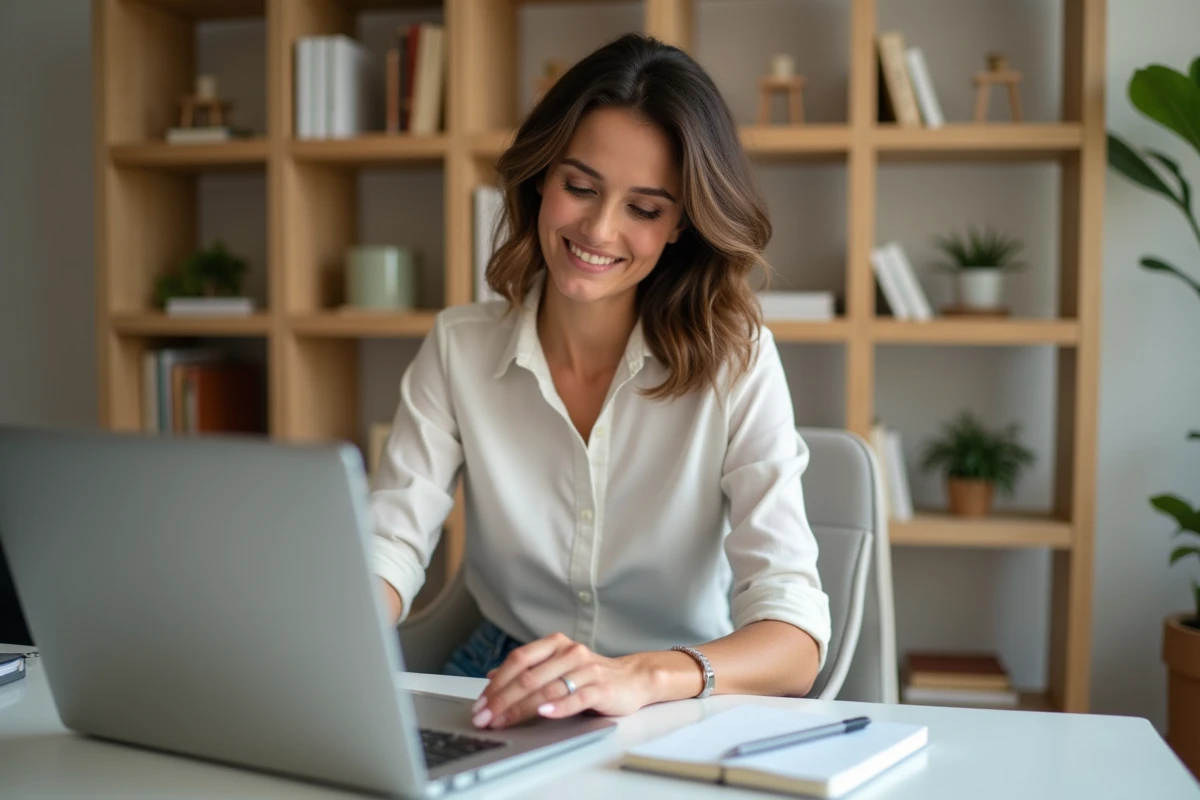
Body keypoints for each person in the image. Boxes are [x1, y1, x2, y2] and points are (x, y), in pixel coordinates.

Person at [370, 32, 830, 733]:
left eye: (644, 209)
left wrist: (641, 675)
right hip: (507, 675)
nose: (598, 229)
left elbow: (795, 638)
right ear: (542, 179)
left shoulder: (737, 360)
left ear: (680, 224)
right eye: (579, 187)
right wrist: (337, 636)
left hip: (679, 681)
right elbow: (391, 543)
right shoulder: (459, 348)